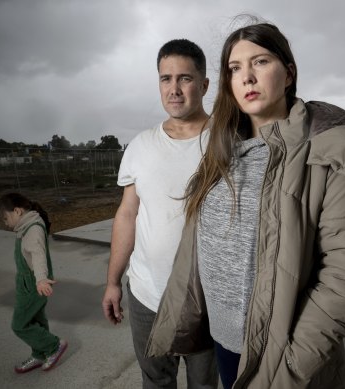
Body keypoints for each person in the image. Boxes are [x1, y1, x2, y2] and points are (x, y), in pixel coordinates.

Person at [146, 20, 345, 389]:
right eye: (235, 69)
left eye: (260, 62)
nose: (247, 78)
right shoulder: (221, 151)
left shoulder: (329, 151)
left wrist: (290, 364)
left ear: (288, 73)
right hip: (224, 343)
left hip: (283, 355)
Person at [101, 39, 218, 388]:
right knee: (156, 382)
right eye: (166, 79)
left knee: (204, 385)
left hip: (207, 299)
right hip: (147, 295)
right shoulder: (140, 146)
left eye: (185, 78)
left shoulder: (228, 141)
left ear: (205, 84)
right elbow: (127, 214)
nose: (175, 89)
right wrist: (112, 282)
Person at [0, 192, 68, 374]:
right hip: (27, 281)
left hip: (34, 282)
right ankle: (39, 353)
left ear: (18, 211)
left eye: (6, 218)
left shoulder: (33, 229)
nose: (5, 223)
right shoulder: (25, 226)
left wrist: (41, 279)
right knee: (36, 318)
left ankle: (53, 346)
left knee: (20, 324)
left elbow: (38, 255)